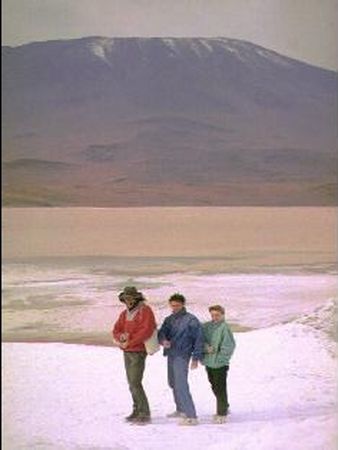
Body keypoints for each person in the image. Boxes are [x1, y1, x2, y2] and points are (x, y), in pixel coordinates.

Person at [158, 293, 204, 426]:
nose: (175, 308)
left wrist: (196, 358)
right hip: (171, 353)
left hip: (183, 355)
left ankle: (191, 416)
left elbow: (199, 339)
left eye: (177, 305)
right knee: (172, 382)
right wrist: (163, 341)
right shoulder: (169, 319)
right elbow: (161, 333)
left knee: (181, 384)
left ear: (183, 305)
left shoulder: (191, 320)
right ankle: (181, 409)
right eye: (172, 305)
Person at [112, 286, 156, 424]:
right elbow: (116, 329)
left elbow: (146, 331)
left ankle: (145, 413)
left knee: (135, 382)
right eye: (126, 299)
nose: (128, 301)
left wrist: (128, 342)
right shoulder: (124, 313)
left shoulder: (145, 310)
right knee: (131, 383)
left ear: (136, 298)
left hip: (138, 351)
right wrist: (120, 338)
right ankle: (137, 410)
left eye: (130, 298)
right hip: (127, 351)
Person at [202, 304, 236, 424]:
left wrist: (221, 359)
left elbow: (229, 346)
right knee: (214, 386)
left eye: (217, 315)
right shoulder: (206, 326)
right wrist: (206, 348)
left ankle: (221, 413)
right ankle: (224, 405)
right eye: (212, 315)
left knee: (220, 388)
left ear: (222, 315)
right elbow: (201, 340)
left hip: (220, 364)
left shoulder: (225, 327)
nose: (215, 317)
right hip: (208, 362)